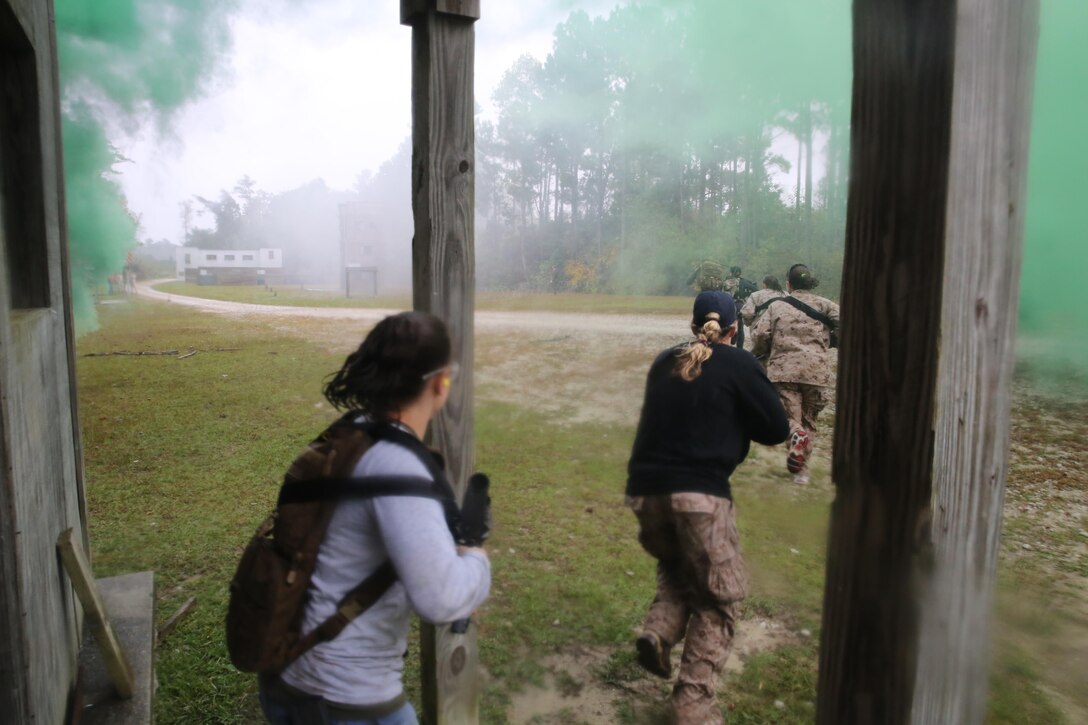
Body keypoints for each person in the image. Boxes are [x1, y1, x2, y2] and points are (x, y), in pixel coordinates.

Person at [259, 312, 490, 725]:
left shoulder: (349, 434)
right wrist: (475, 559)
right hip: (345, 700)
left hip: (285, 677)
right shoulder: (397, 466)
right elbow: (442, 599)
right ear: (440, 384)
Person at [626, 291, 789, 725]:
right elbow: (776, 428)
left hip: (645, 492)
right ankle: (693, 706)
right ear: (735, 330)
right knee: (720, 598)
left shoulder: (665, 361)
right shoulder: (738, 362)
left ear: (693, 323)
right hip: (699, 496)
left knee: (682, 570)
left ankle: (659, 633)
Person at [749, 264, 840, 485]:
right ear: (810, 282)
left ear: (788, 284)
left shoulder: (777, 306)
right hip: (816, 372)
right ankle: (802, 472)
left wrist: (760, 353)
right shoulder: (826, 305)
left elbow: (761, 335)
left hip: (784, 370)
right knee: (809, 420)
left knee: (789, 419)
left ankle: (795, 440)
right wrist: (830, 341)